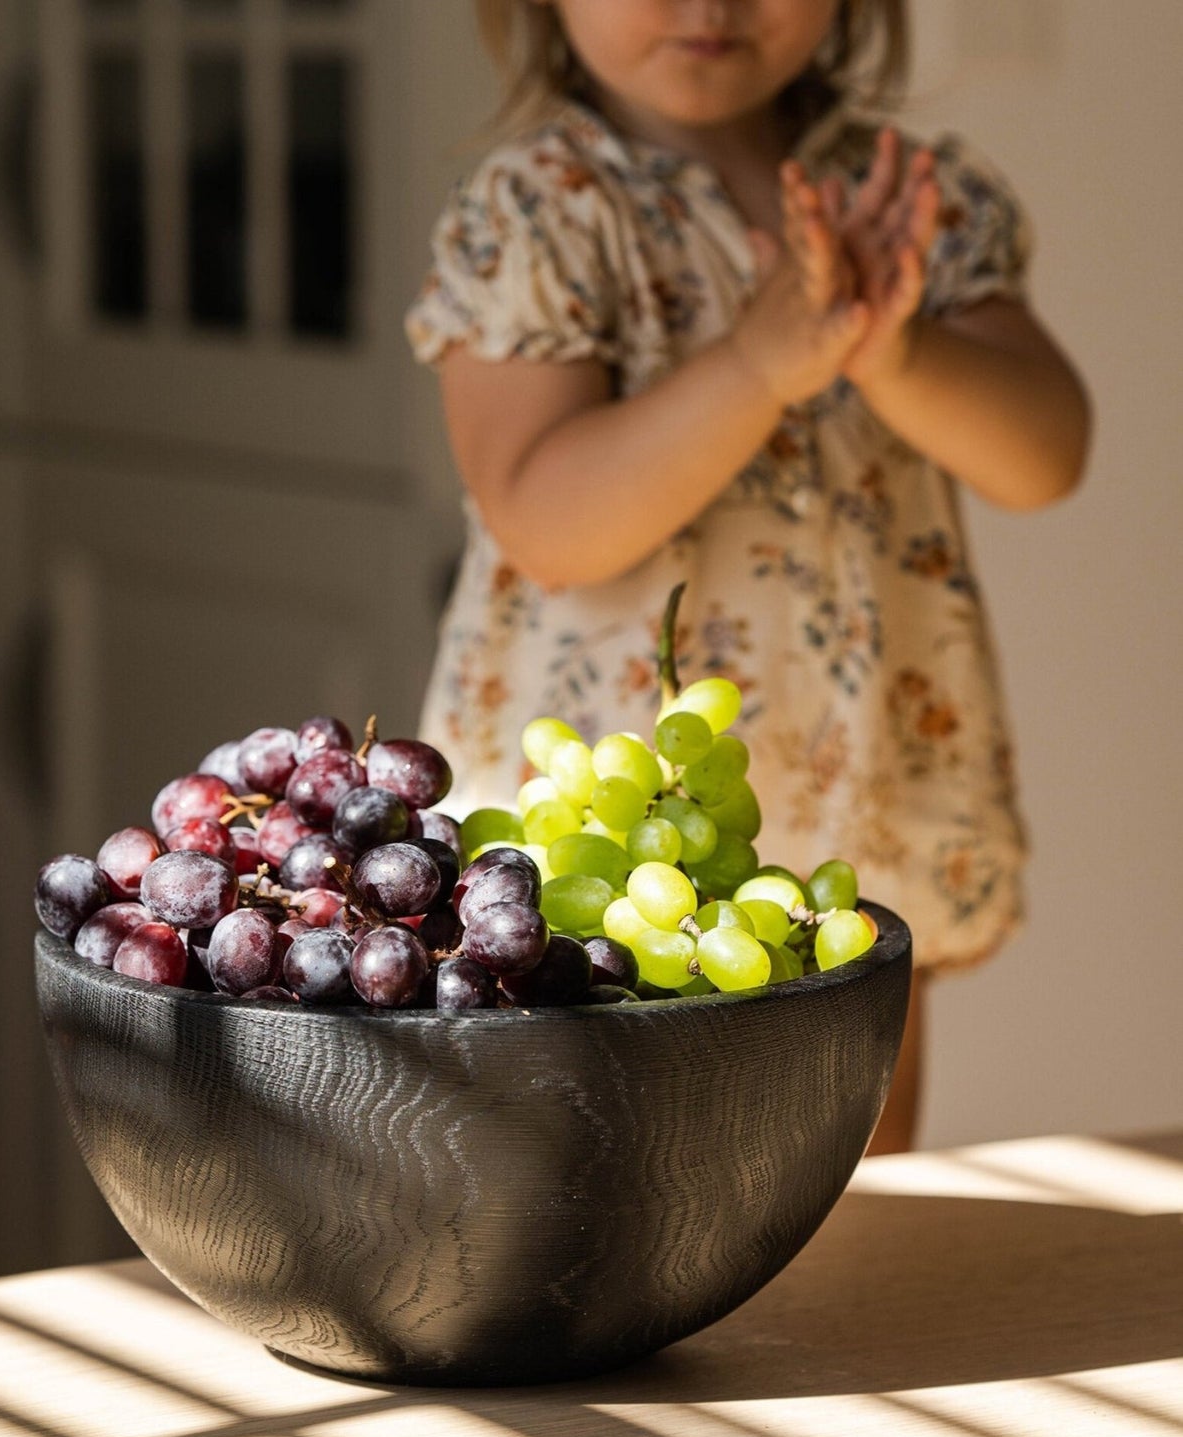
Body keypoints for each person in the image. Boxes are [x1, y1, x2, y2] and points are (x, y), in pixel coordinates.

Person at [405, 0, 1090, 1153]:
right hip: (610, 837)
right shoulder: (538, 211)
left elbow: (1044, 453)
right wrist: (757, 362)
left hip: (858, 783)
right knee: (593, 1161)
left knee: (852, 1183)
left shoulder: (907, 197)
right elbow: (545, 516)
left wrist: (895, 351)